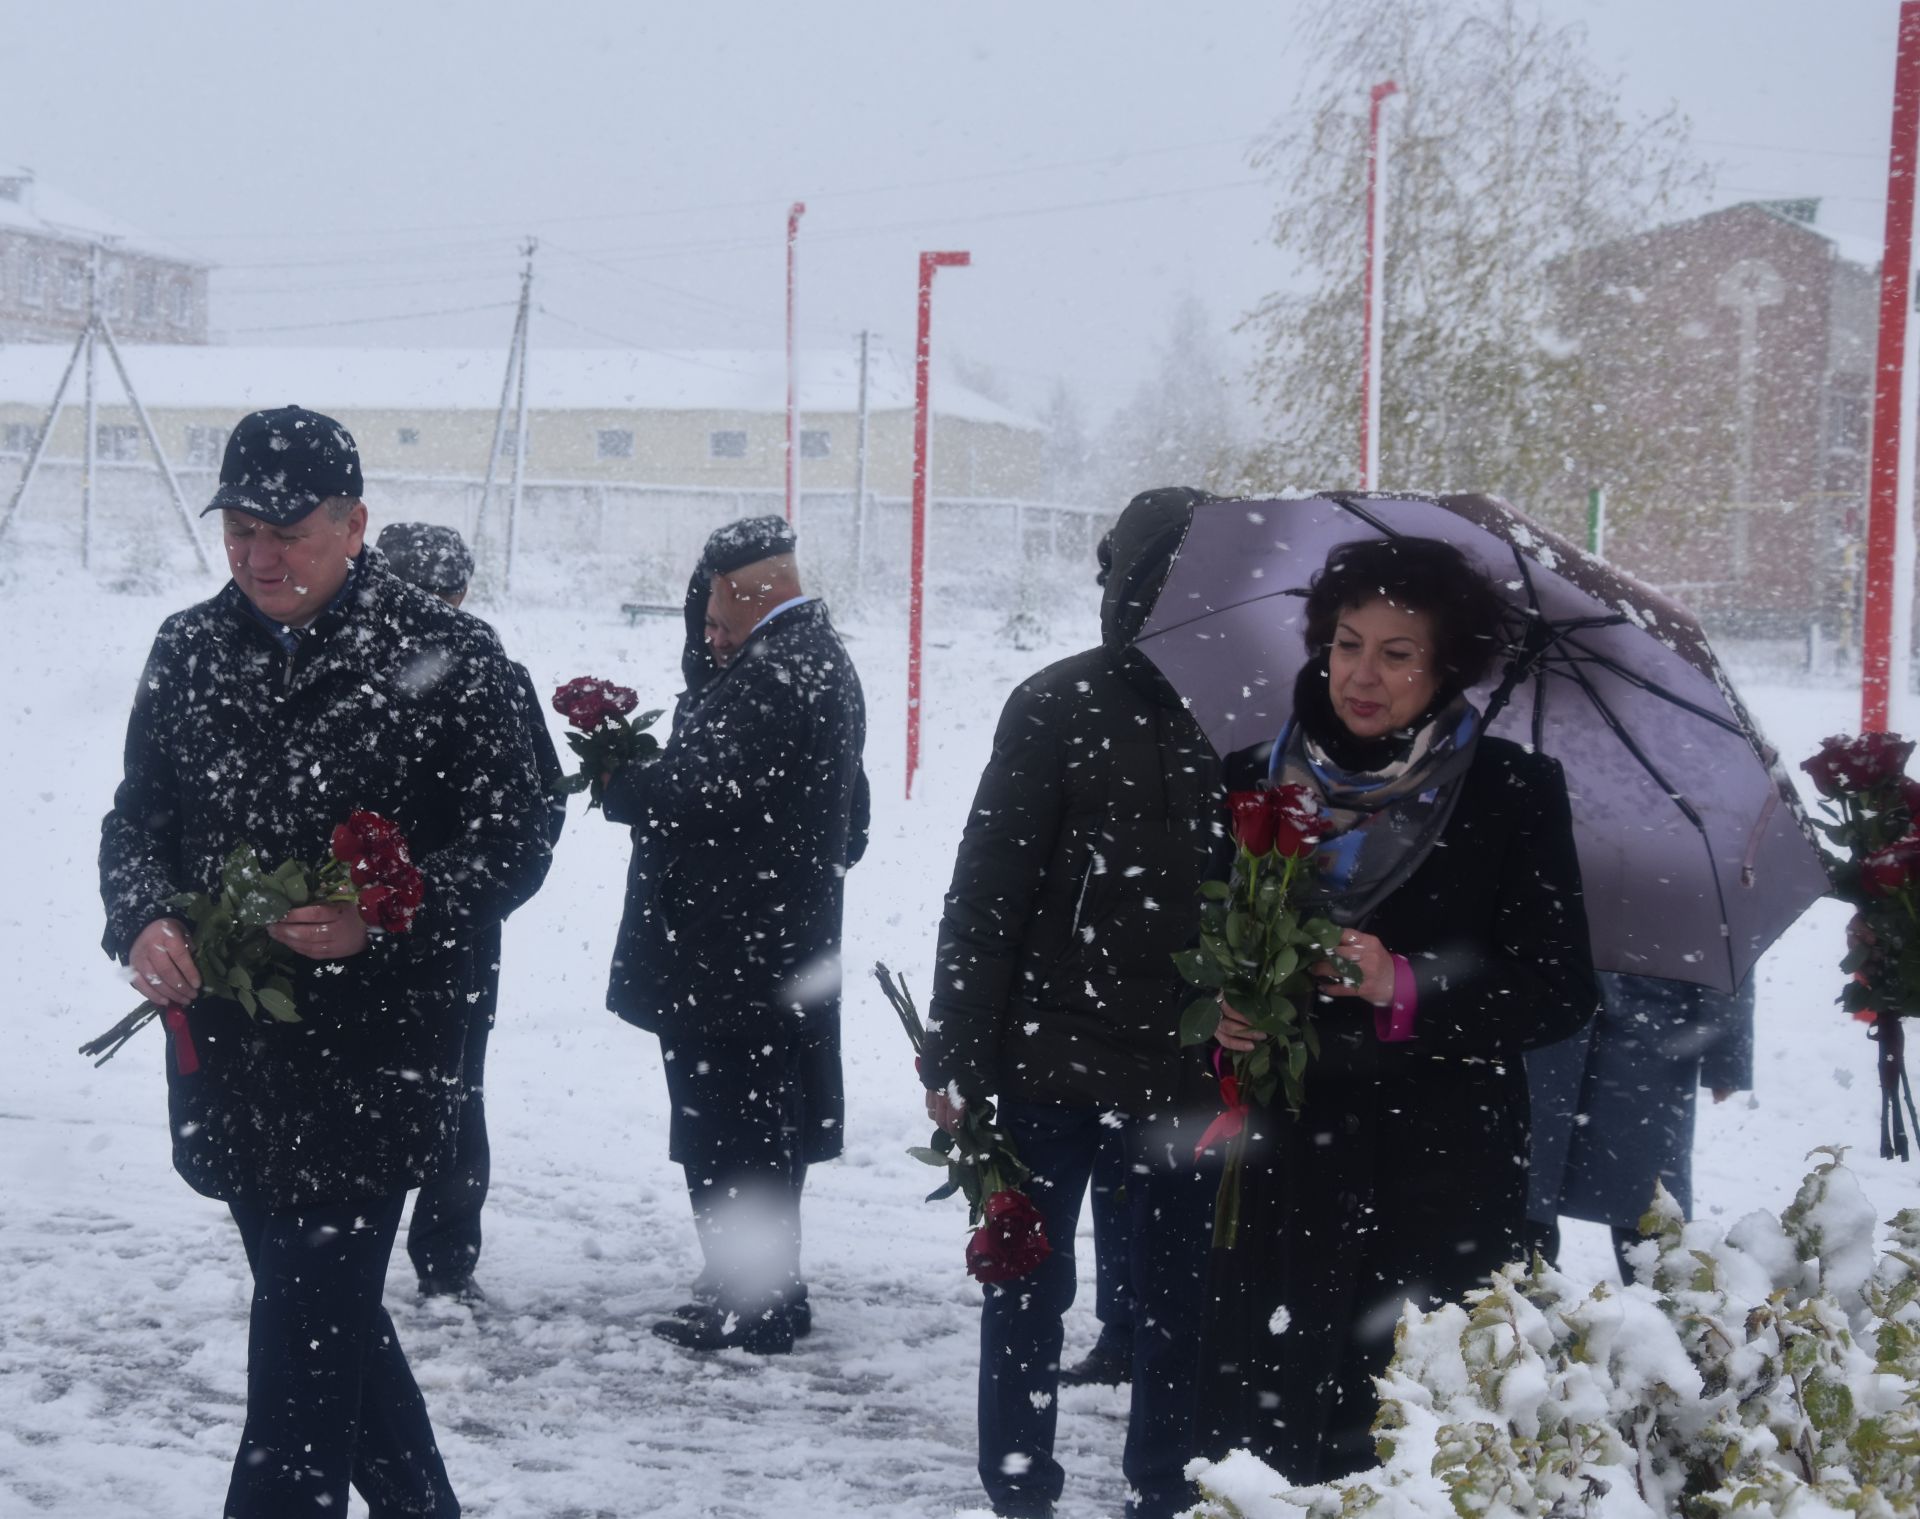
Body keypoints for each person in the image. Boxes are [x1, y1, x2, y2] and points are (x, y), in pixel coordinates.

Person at [99, 406, 554, 1517]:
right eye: (240, 528)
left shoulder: (450, 656)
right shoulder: (188, 647)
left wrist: (389, 914)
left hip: (374, 1059)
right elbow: (136, 820)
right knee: (328, 1322)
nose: (258, 556)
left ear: (356, 524)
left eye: (286, 531)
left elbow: (516, 832)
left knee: (302, 1359)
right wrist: (146, 918)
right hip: (229, 1055)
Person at [1200, 534, 1599, 1485]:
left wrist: (1403, 984)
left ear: (1447, 665)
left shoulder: (1510, 794)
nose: (1361, 675)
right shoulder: (1252, 777)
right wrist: (1222, 1008)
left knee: (1406, 1434)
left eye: (1397, 652)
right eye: (1346, 643)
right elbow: (1190, 943)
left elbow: (1560, 991)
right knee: (1261, 1424)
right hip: (1278, 1165)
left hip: (1438, 1172)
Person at [919, 486, 1223, 1519]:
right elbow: (988, 893)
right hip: (1048, 1067)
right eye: (1167, 584)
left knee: (1184, 1301)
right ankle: (1020, 1492)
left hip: (1191, 1073)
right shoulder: (1059, 705)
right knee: (1027, 1291)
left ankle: (1163, 1491)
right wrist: (955, 1052)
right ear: (1129, 587)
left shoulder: (1257, 719)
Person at [603, 516, 868, 1355]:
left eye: (716, 619)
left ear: (751, 596)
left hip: (731, 956)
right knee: (757, 1127)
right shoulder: (815, 660)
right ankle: (757, 1287)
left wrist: (617, 775)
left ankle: (753, 1304)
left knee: (731, 1133)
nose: (708, 638)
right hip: (774, 949)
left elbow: (692, 790)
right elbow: (851, 817)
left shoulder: (774, 677)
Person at [375, 521, 567, 1300]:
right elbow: (539, 805)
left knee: (373, 1082)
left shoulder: (346, 668)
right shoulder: (494, 672)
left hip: (361, 912)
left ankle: (348, 1242)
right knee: (455, 1085)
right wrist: (474, 884)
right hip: (457, 923)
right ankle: (446, 1258)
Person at [1525, 971, 1755, 1279]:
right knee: (1527, 1187)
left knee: (1648, 1198)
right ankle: (1520, 1303)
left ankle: (1666, 1306)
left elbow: (1722, 939)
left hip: (1652, 1034)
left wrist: (1727, 1057)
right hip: (1546, 1021)